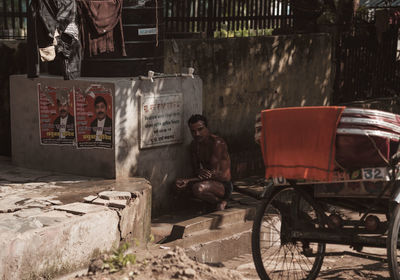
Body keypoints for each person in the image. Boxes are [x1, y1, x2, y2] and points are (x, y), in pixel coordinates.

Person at [175, 114, 232, 210]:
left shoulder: (217, 143)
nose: (196, 134)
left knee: (198, 188)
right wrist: (198, 172)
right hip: (206, 181)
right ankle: (210, 204)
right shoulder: (194, 145)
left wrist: (189, 180)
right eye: (193, 131)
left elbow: (213, 174)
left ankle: (222, 202)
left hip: (222, 184)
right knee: (177, 184)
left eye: (200, 129)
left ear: (207, 128)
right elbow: (196, 170)